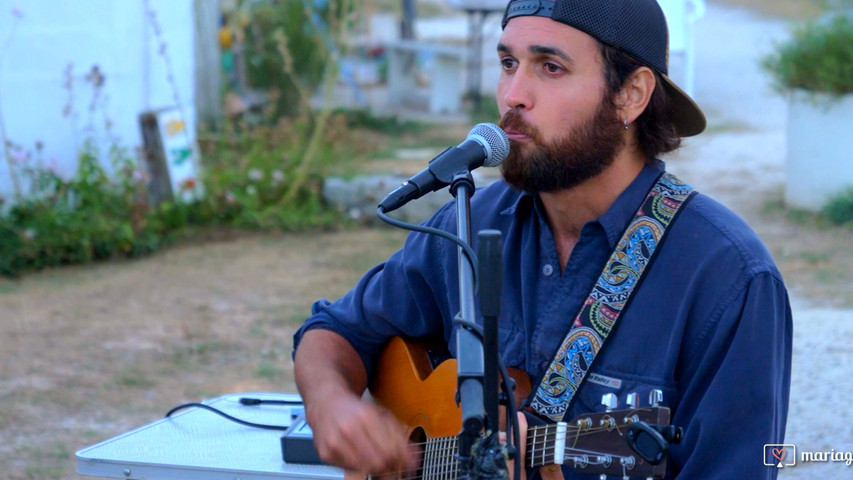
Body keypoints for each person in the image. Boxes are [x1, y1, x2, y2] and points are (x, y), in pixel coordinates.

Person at [292, 0, 792, 478]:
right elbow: (333, 332)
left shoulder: (729, 278)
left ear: (631, 95)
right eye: (508, 63)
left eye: (550, 67)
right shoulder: (472, 222)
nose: (513, 95)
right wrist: (330, 405)